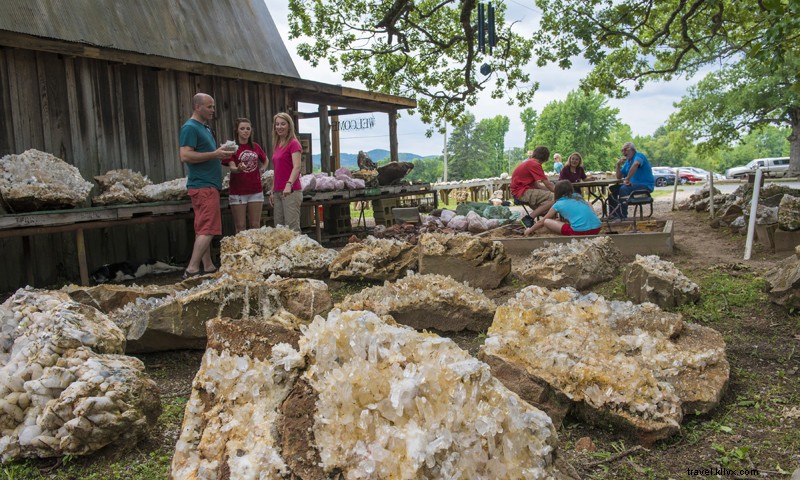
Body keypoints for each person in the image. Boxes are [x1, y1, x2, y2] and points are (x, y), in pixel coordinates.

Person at [179, 93, 234, 278]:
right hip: (203, 186)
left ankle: (208, 266)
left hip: (208, 185)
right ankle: (192, 269)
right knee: (209, 228)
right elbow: (185, 156)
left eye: (213, 106)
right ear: (197, 107)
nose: (213, 110)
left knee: (202, 227)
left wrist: (221, 153)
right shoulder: (190, 128)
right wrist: (214, 155)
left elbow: (209, 153)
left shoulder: (205, 128)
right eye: (209, 107)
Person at [223, 118, 268, 233]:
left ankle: (254, 250)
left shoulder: (255, 146)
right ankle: (242, 251)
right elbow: (232, 167)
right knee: (241, 226)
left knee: (255, 225)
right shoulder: (232, 148)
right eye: (242, 128)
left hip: (255, 189)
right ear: (237, 131)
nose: (245, 131)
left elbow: (265, 160)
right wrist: (238, 168)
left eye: (248, 128)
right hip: (238, 190)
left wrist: (262, 169)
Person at [524, 180, 602, 236]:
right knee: (588, 203)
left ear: (557, 192)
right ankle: (593, 220)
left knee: (547, 221)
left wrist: (529, 230)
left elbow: (542, 221)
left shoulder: (558, 204)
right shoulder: (577, 196)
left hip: (579, 232)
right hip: (597, 228)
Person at [270, 112, 303, 231]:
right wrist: (272, 189)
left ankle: (298, 249)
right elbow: (277, 169)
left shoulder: (293, 143)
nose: (279, 127)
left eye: (283, 124)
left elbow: (297, 167)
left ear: (289, 125)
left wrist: (289, 184)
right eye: (277, 124)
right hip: (278, 191)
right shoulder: (277, 144)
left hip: (291, 191)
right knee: (279, 228)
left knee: (292, 228)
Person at [607, 141, 655, 221]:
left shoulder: (639, 155)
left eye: (625, 150)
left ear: (632, 150)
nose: (623, 152)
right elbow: (619, 177)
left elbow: (636, 164)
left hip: (645, 186)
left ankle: (622, 216)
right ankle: (614, 215)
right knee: (612, 189)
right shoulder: (627, 162)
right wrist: (618, 165)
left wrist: (628, 178)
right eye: (622, 150)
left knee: (624, 188)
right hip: (632, 186)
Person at [510, 146, 555, 219]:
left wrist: (549, 190)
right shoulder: (535, 164)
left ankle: (546, 223)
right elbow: (549, 185)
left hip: (518, 191)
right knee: (556, 197)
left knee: (546, 210)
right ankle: (529, 218)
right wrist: (561, 193)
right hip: (522, 192)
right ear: (546, 157)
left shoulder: (529, 162)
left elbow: (537, 185)